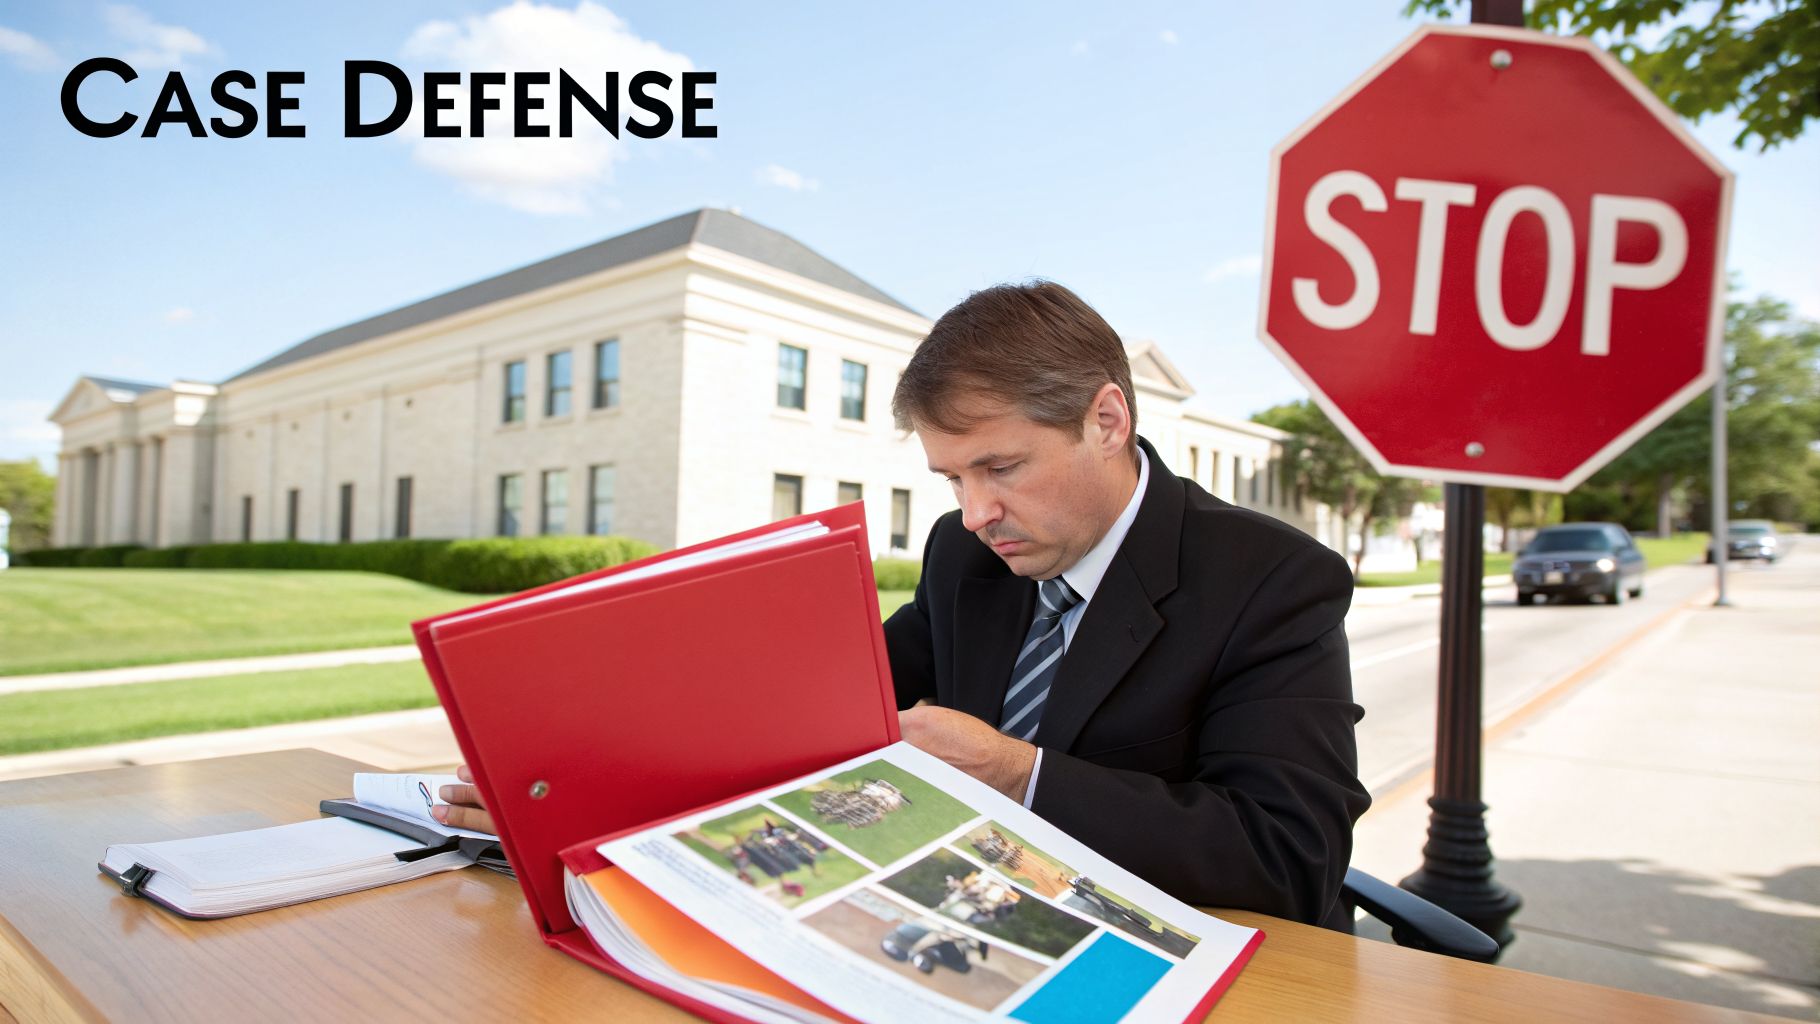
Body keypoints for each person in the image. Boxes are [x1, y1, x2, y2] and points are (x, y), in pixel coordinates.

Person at [437, 280, 1369, 929]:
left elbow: (1288, 858)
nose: (976, 514)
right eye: (953, 477)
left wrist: (1017, 774)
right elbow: (816, 712)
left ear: (1108, 419)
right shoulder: (964, 557)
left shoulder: (1274, 581)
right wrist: (588, 776)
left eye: (1001, 467)